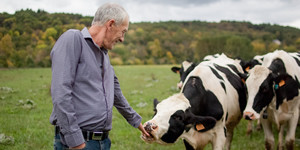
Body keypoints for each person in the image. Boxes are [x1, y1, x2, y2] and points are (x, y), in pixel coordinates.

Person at [49, 3, 150, 150]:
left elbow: (117, 95)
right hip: (78, 142)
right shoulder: (73, 39)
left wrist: (139, 124)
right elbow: (61, 92)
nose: (122, 39)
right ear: (110, 24)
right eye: (123, 32)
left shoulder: (104, 55)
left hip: (103, 142)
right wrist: (76, 141)